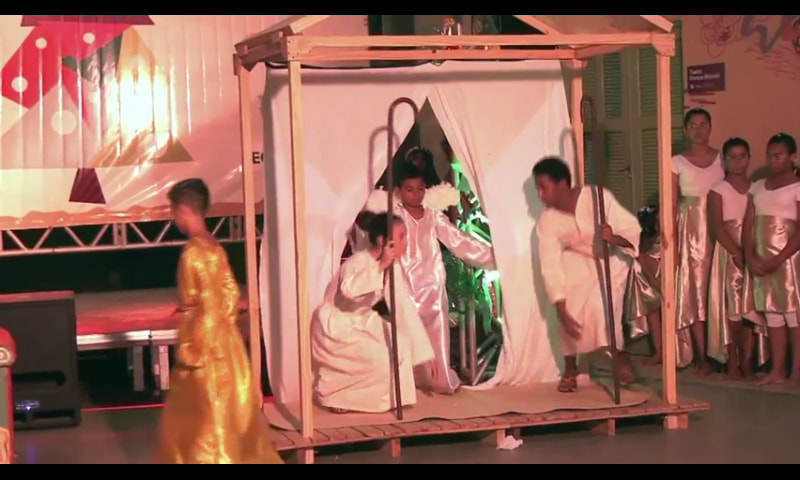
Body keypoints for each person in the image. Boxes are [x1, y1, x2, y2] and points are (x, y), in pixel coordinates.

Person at [154, 179, 283, 464]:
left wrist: (193, 348)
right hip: (226, 344)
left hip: (205, 348)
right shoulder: (214, 246)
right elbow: (230, 294)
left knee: (202, 425)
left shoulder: (193, 252)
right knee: (226, 419)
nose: (174, 217)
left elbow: (207, 305)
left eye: (174, 211)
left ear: (184, 209)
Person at [533, 157, 640, 393]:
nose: (540, 195)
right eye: (537, 189)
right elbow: (549, 262)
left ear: (562, 184)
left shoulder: (597, 197)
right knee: (568, 305)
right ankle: (570, 367)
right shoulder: (547, 220)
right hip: (578, 260)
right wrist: (559, 304)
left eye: (544, 187)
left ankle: (618, 356)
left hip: (609, 260)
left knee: (600, 308)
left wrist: (613, 237)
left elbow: (631, 229)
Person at [311, 213, 434, 413]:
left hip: (362, 320)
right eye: (401, 236)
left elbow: (402, 306)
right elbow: (350, 291)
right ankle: (339, 397)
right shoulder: (357, 261)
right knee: (380, 357)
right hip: (337, 325)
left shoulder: (392, 268)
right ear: (382, 241)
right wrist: (380, 265)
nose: (406, 242)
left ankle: (392, 398)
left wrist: (424, 352)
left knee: (400, 345)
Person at [393, 164, 495, 394]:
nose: (416, 194)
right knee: (405, 334)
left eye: (420, 189)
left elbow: (458, 240)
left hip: (432, 283)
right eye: (409, 190)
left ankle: (440, 379)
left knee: (437, 332)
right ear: (399, 190)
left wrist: (492, 256)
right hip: (404, 284)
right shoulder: (395, 217)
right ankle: (406, 381)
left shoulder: (432, 215)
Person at [744, 133, 800, 388]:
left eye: (778, 155)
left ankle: (795, 371)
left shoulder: (797, 187)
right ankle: (777, 369)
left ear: (792, 157)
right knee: (772, 314)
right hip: (761, 258)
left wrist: (779, 259)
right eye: (769, 155)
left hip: (787, 260)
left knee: (792, 314)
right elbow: (748, 225)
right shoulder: (757, 186)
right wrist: (750, 255)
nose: (772, 160)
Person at [671, 107, 724, 374]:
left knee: (719, 289)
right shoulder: (676, 161)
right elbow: (671, 203)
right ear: (685, 130)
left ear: (710, 127)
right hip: (691, 231)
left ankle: (723, 353)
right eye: (693, 125)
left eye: (703, 124)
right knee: (695, 291)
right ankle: (701, 355)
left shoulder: (723, 158)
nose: (698, 130)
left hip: (719, 227)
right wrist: (672, 242)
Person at [707, 137, 764, 380]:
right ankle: (732, 360)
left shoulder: (758, 188)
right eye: (732, 157)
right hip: (729, 252)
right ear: (724, 160)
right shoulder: (718, 190)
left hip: (752, 250)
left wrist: (751, 252)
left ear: (749, 158)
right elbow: (717, 227)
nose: (738, 162)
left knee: (751, 309)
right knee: (732, 309)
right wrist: (736, 252)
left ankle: (748, 362)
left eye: (742, 156)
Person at [624, 204, 663, 366]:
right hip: (652, 277)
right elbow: (641, 257)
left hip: (669, 274)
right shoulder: (645, 241)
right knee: (652, 305)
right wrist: (654, 281)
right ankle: (659, 351)